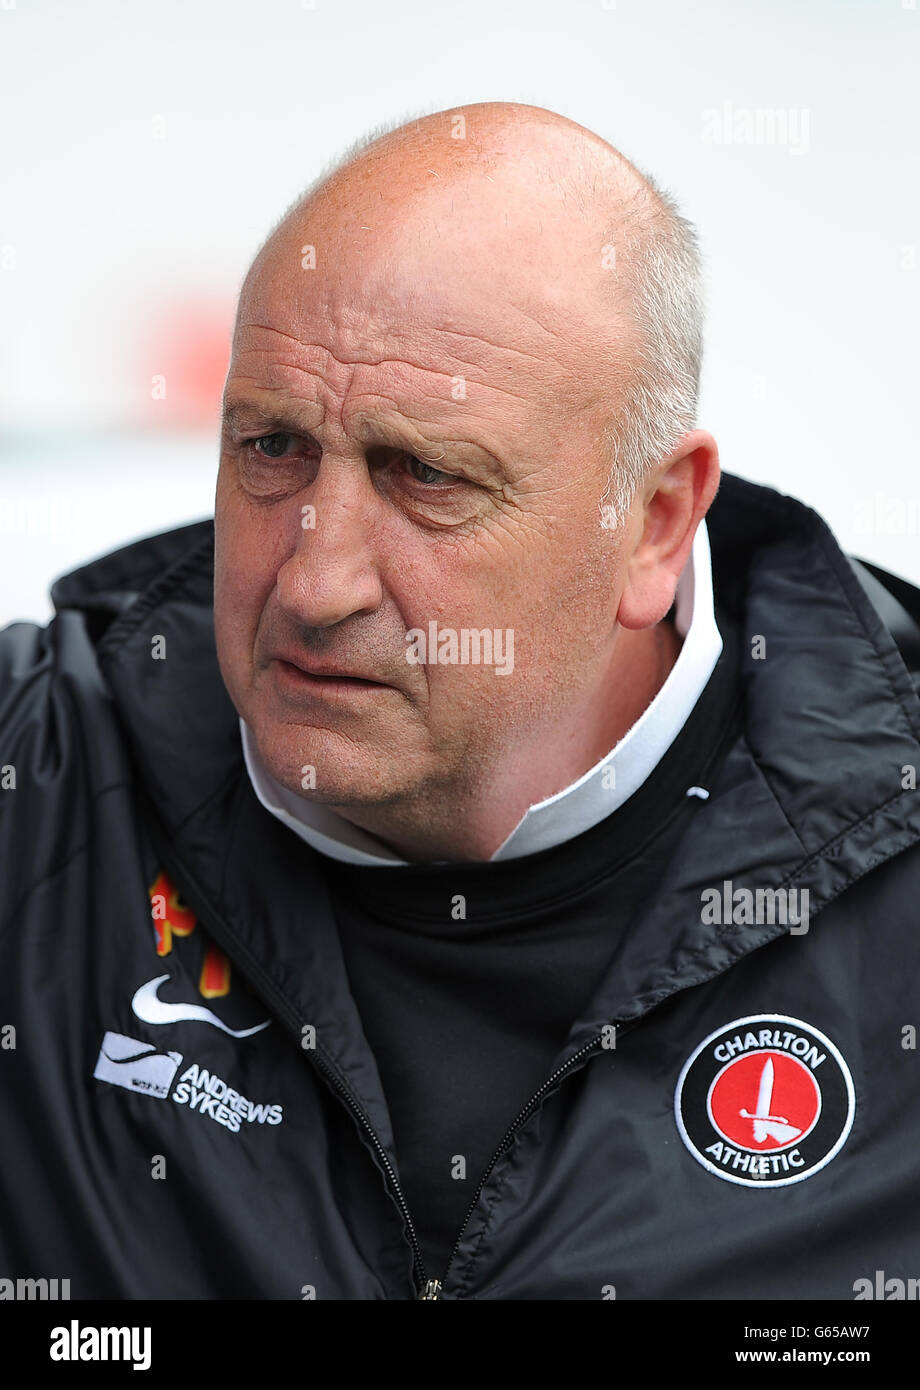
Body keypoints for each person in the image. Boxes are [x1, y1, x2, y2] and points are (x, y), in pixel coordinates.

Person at [2, 100, 920, 1301]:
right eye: (272, 448)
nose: (315, 583)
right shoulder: (40, 786)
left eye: (425, 474)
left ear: (651, 525)